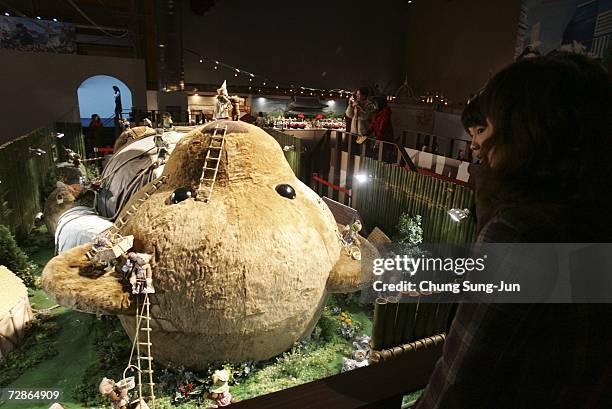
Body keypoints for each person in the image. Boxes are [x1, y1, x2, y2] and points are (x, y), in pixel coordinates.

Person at [415, 52, 612, 408]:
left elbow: (460, 383)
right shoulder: (592, 217)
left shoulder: (522, 234)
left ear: (528, 131)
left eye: (490, 125)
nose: (480, 142)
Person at [366, 96, 395, 162]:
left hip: (385, 137)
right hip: (379, 137)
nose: (374, 105)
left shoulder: (386, 112)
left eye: (375, 103)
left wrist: (378, 138)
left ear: (380, 103)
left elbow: (383, 126)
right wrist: (366, 133)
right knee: (378, 154)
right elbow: (373, 124)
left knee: (384, 155)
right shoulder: (376, 112)